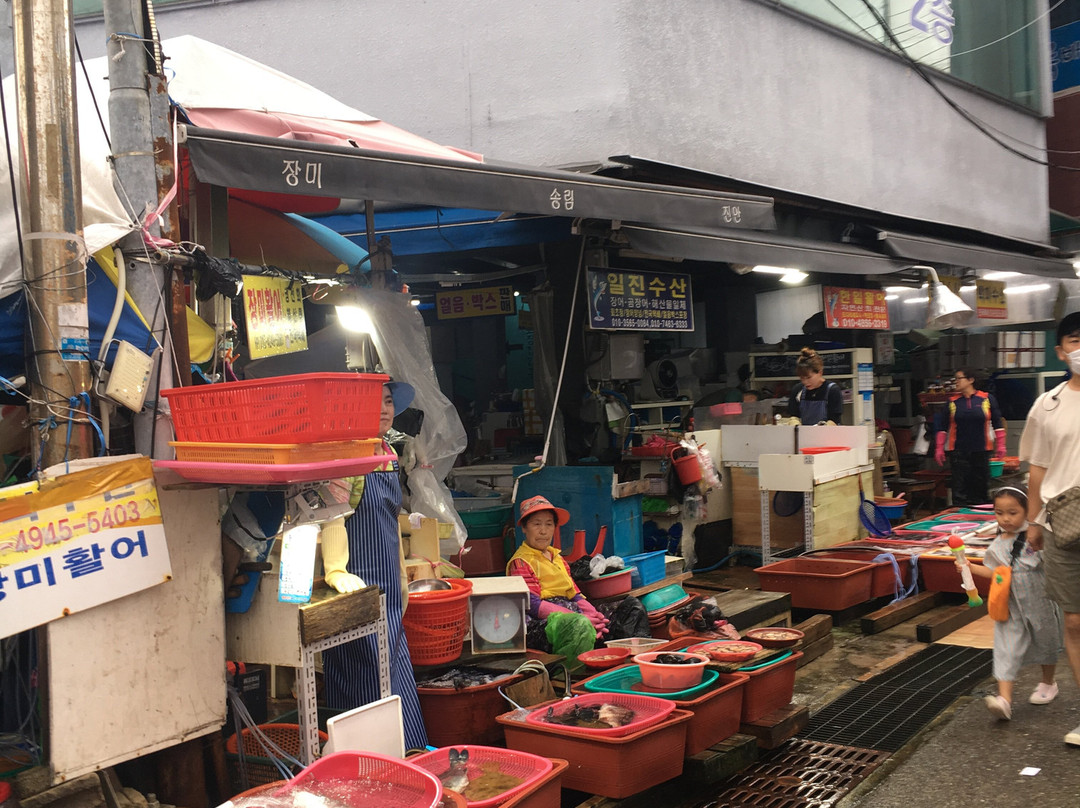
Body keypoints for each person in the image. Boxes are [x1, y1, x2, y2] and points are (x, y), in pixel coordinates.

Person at [319, 379, 428, 750]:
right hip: (357, 587)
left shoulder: (387, 453)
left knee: (394, 671)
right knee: (364, 670)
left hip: (388, 591)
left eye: (386, 401)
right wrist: (335, 569)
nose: (383, 409)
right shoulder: (345, 455)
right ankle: (369, 761)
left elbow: (391, 524)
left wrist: (401, 579)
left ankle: (407, 757)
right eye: (372, 403)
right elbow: (334, 516)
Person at [1019, 311, 1080, 746]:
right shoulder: (1048, 404)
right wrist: (1033, 522)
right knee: (1074, 622)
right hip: (1063, 523)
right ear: (1061, 350)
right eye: (1075, 341)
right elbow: (1036, 470)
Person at [961, 486, 1062, 721]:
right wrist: (969, 567)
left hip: (1041, 601)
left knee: (1046, 641)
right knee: (1005, 647)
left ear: (1028, 511)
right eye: (999, 512)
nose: (1005, 518)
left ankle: (1048, 683)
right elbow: (996, 572)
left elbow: (1053, 564)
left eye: (1013, 512)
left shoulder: (1036, 536)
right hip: (1010, 604)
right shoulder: (997, 543)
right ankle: (1004, 699)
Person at [506, 495, 610, 658]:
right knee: (580, 625)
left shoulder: (558, 558)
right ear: (524, 528)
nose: (543, 531)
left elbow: (574, 595)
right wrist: (580, 618)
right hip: (541, 623)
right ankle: (571, 674)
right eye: (536, 524)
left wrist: (595, 616)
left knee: (628, 609)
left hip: (572, 613)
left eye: (549, 524)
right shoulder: (521, 562)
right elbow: (532, 605)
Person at [933, 368, 1006, 506]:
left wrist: (1001, 445)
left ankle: (980, 514)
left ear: (971, 380)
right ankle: (959, 515)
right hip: (959, 451)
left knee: (981, 485)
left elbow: (998, 423)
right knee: (960, 486)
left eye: (959, 378)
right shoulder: (952, 402)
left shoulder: (986, 399)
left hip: (982, 450)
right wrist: (939, 448)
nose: (956, 382)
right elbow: (942, 427)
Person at [786, 347, 842, 425]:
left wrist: (820, 429)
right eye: (802, 378)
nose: (805, 382)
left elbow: (834, 420)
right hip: (804, 434)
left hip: (827, 435)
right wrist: (795, 424)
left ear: (820, 372)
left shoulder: (832, 390)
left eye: (809, 377)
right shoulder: (797, 389)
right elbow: (794, 415)